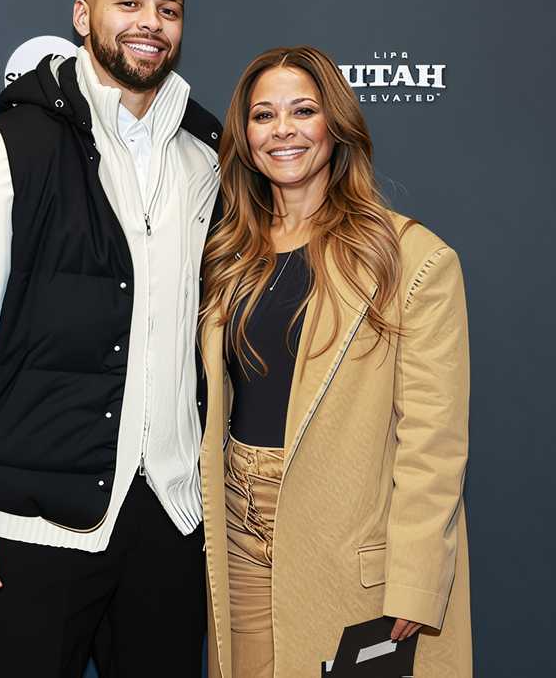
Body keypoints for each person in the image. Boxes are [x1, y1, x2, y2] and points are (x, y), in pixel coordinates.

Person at [0, 0, 223, 677]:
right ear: (84, 17)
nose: (151, 22)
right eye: (130, 2)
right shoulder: (6, 150)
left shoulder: (204, 160)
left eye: (168, 9)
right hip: (36, 527)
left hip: (170, 521)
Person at [196, 45, 472, 678]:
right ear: (245, 136)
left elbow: (433, 440)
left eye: (303, 110)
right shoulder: (225, 255)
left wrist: (415, 578)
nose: (283, 130)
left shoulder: (410, 258)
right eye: (263, 115)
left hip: (347, 542)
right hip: (238, 536)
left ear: (336, 125)